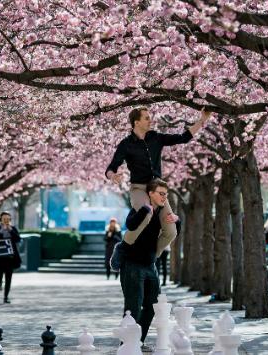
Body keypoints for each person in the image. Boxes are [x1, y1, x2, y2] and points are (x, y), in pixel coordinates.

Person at [105, 107, 211, 252]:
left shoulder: (156, 137)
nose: (151, 120)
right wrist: (113, 176)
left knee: (171, 231)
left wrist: (202, 120)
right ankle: (123, 248)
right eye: (146, 118)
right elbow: (111, 167)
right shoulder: (126, 144)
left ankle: (151, 257)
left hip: (157, 190)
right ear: (136, 122)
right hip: (139, 188)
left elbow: (183, 138)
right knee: (146, 215)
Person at [119, 179, 180, 352]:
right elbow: (129, 224)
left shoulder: (161, 214)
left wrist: (177, 221)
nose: (164, 197)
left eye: (166, 195)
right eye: (161, 194)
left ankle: (138, 341)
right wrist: (145, 211)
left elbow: (171, 233)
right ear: (150, 194)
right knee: (133, 306)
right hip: (132, 265)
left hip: (150, 265)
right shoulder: (140, 210)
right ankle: (126, 346)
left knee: (153, 305)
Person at [0, 211, 21, 304]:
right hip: (0, 258)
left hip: (10, 258)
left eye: (8, 219)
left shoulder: (13, 229)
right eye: (4, 219)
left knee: (8, 278)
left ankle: (6, 297)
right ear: (1, 220)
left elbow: (18, 239)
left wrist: (10, 230)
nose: (6, 221)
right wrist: (1, 230)